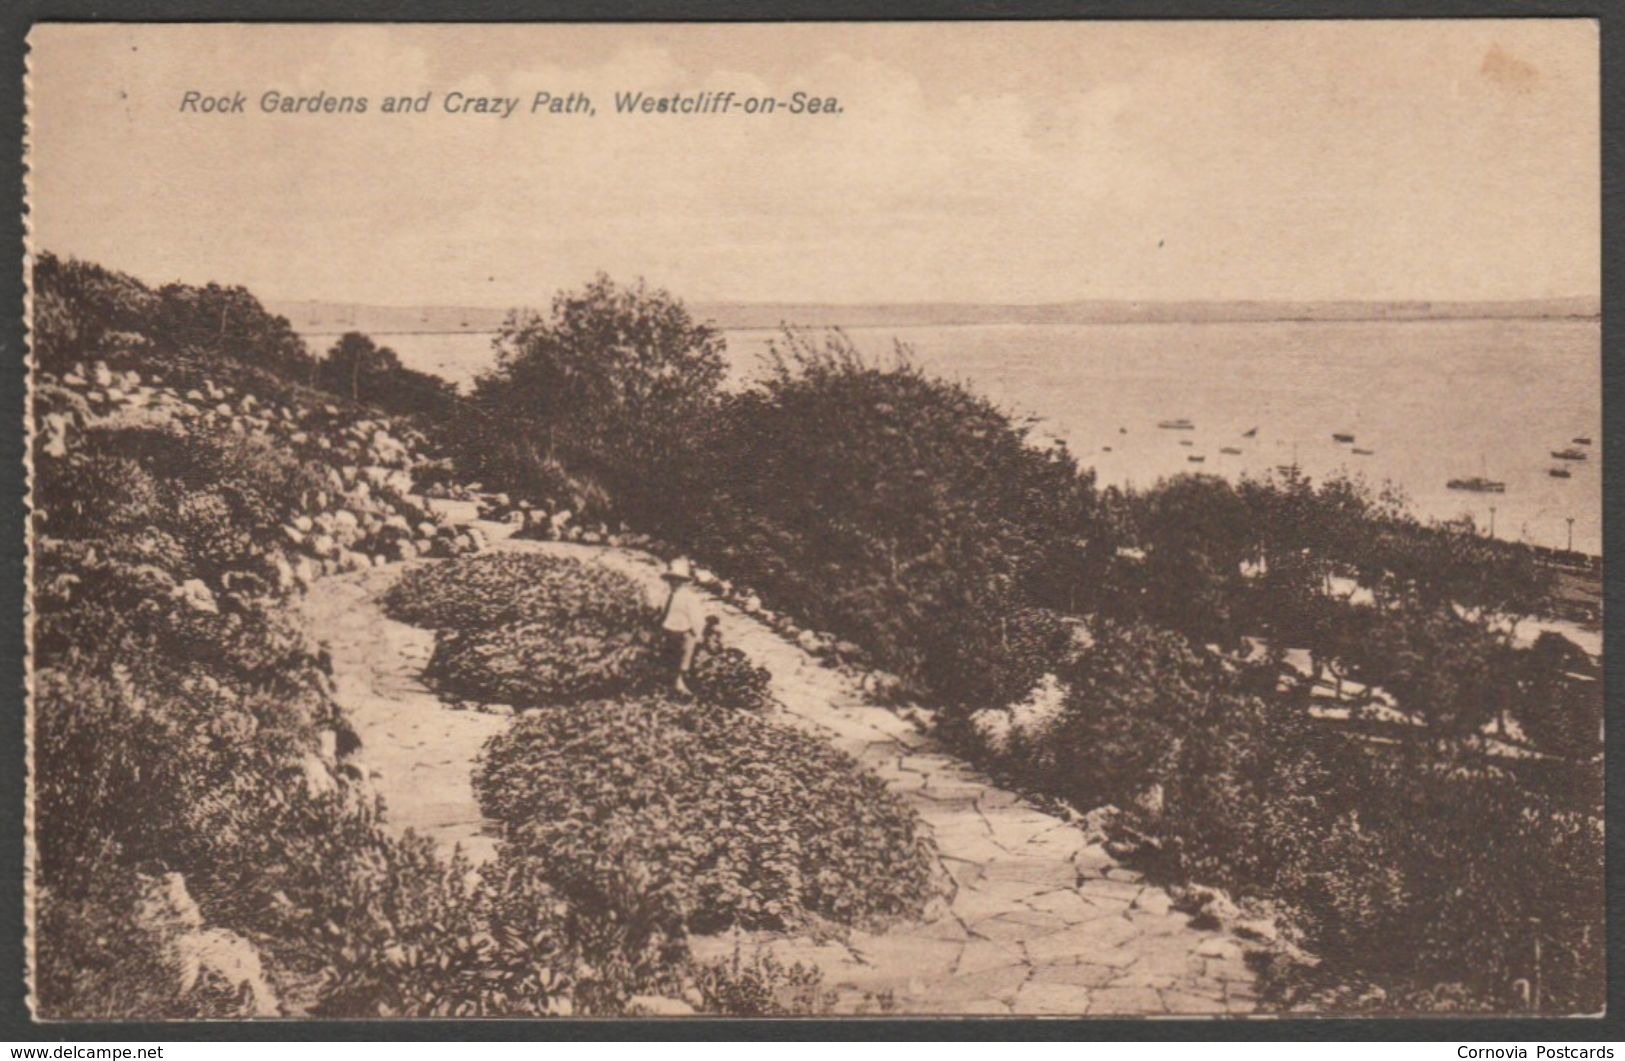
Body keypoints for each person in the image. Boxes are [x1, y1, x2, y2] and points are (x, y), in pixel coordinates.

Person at [658, 556, 708, 697]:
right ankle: (670, 682)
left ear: (682, 581)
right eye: (671, 579)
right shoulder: (668, 595)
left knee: (683, 657)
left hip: (684, 631)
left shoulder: (688, 597)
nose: (673, 583)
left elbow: (697, 617)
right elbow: (664, 612)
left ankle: (679, 682)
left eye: (677, 580)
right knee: (669, 656)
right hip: (669, 630)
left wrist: (698, 633)